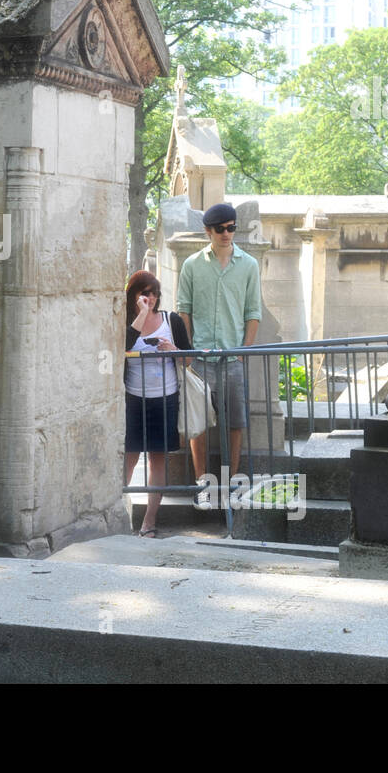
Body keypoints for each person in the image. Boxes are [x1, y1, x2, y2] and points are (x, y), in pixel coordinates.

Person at [176, 202, 262, 480]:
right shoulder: (191, 265)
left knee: (235, 422)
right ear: (208, 231)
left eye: (231, 228)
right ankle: (202, 481)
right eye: (220, 229)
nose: (226, 233)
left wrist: (242, 351)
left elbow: (253, 313)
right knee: (198, 423)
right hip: (200, 358)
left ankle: (231, 481)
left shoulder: (249, 266)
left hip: (232, 358)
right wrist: (189, 352)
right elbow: (184, 310)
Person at [124, 270, 191, 537]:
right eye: (144, 293)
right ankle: (118, 514)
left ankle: (149, 522)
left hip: (165, 398)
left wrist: (173, 351)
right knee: (129, 457)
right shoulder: (128, 321)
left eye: (153, 293)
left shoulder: (171, 320)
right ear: (133, 295)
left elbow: (188, 359)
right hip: (133, 398)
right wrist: (140, 315)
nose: (149, 298)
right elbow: (122, 346)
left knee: (157, 460)